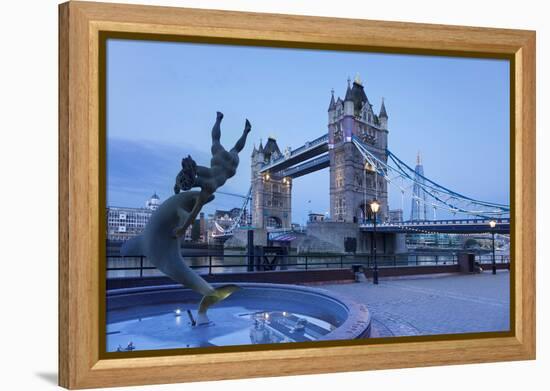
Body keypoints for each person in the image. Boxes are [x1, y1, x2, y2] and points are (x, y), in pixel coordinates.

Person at [174, 111, 251, 237]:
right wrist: (177, 184)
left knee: (235, 149)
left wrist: (182, 229)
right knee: (216, 141)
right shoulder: (201, 171)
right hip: (221, 160)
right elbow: (190, 169)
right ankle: (219, 119)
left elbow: (194, 212)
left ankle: (245, 130)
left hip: (231, 168)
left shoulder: (209, 187)